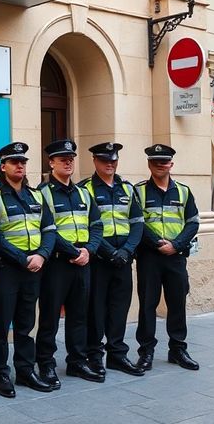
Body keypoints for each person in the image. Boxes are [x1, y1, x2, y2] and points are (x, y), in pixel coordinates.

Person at [0, 142, 56, 399]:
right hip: (6, 269)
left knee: (26, 323)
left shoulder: (37, 196)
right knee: (1, 323)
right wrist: (22, 258)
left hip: (33, 268)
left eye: (23, 162)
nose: (20, 166)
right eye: (14, 162)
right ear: (3, 166)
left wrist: (41, 255)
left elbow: (49, 230)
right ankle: (0, 372)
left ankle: (25, 370)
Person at [35, 139, 104, 388]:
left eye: (71, 158)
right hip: (57, 263)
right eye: (62, 159)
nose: (68, 162)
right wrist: (73, 251)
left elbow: (97, 226)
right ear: (51, 162)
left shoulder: (83, 193)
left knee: (79, 316)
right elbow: (46, 229)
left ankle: (77, 361)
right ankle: (46, 363)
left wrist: (88, 250)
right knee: (50, 316)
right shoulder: (42, 193)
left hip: (83, 261)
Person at [81, 142, 145, 377]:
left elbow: (138, 223)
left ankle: (117, 354)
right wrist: (109, 252)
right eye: (105, 160)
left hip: (124, 258)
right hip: (99, 257)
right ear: (95, 161)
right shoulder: (85, 189)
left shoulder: (127, 189)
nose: (110, 164)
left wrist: (127, 251)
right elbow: (88, 226)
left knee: (120, 307)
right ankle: (95, 355)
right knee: (96, 309)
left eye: (113, 160)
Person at [135, 144, 200, 371]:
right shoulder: (139, 191)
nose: (160, 166)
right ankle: (146, 352)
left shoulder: (183, 191)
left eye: (164, 162)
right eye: (155, 162)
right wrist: (157, 244)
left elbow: (193, 223)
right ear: (149, 164)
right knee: (147, 305)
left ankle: (178, 350)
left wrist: (176, 245)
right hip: (149, 258)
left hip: (175, 257)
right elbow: (137, 224)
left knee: (177, 304)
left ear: (171, 164)